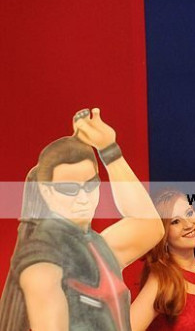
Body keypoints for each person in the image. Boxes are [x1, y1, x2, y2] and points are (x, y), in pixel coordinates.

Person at [0, 108, 164, 331]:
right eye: (69, 189)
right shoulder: (42, 262)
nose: (83, 198)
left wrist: (109, 151)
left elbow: (150, 225)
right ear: (46, 191)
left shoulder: (97, 246)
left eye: (90, 185)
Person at [130, 189, 195, 331]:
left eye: (189, 213)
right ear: (163, 234)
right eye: (175, 222)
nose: (189, 225)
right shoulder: (161, 280)